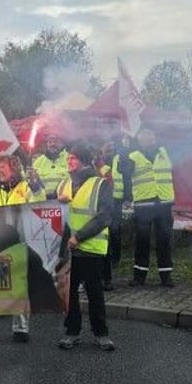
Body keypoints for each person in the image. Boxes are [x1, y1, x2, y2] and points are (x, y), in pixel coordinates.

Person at [0, 153, 46, 344]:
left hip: (19, 243)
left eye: (3, 168)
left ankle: (21, 328)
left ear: (13, 168)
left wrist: (36, 185)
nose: (0, 172)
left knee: (19, 285)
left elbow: (40, 201)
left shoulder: (25, 187)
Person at [55, 146, 115, 350]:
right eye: (68, 158)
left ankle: (101, 333)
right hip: (67, 251)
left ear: (84, 161)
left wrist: (78, 237)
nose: (69, 161)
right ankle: (72, 332)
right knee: (69, 294)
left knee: (94, 292)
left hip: (90, 247)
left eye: (73, 158)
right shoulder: (64, 183)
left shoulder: (100, 184)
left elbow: (105, 216)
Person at [124, 128, 176, 287]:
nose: (147, 136)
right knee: (142, 242)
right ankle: (139, 277)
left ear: (155, 136)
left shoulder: (166, 152)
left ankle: (166, 276)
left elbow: (189, 147)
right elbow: (124, 175)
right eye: (143, 133)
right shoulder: (132, 156)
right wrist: (127, 197)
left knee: (164, 240)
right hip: (143, 205)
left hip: (163, 204)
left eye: (150, 133)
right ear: (138, 137)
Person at [97, 140, 129, 291]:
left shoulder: (119, 159)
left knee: (115, 232)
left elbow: (126, 177)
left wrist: (127, 197)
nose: (110, 147)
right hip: (100, 204)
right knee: (104, 238)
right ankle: (105, 275)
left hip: (116, 201)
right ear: (101, 148)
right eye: (107, 144)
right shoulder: (96, 163)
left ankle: (114, 262)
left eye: (112, 145)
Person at [32, 134, 70, 200]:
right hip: (44, 202)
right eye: (50, 142)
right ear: (46, 144)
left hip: (64, 201)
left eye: (56, 141)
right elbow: (33, 183)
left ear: (62, 144)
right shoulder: (38, 162)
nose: (53, 144)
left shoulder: (69, 158)